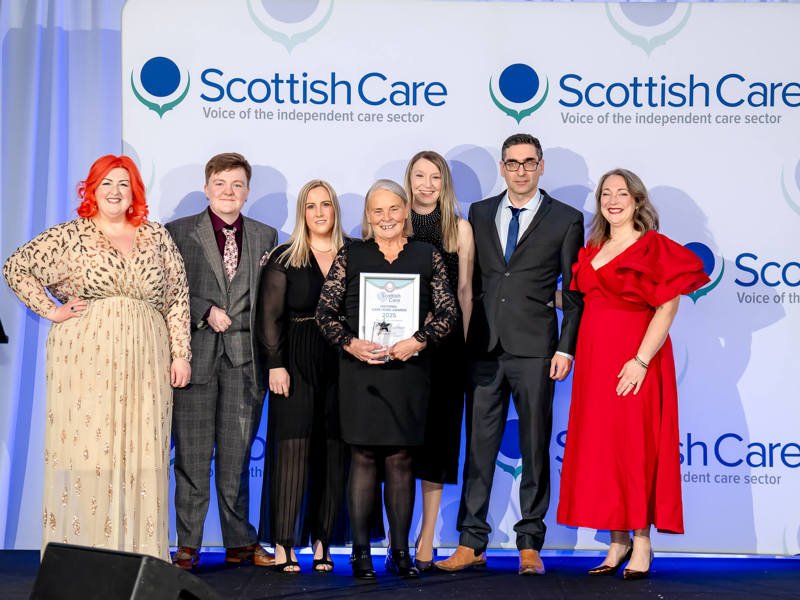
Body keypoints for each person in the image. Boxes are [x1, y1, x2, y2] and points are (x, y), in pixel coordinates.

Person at [3, 155, 191, 560]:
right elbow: (16, 267)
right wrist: (52, 310)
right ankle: (84, 557)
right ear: (91, 188)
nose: (114, 191)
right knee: (91, 447)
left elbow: (176, 298)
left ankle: (141, 557)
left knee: (143, 451)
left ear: (134, 192)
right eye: (106, 183)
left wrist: (181, 355)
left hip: (147, 355)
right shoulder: (73, 235)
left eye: (123, 183)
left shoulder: (155, 236)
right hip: (86, 355)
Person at [436, 133, 584, 576]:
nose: (520, 170)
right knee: (477, 449)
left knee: (536, 448)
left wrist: (566, 347)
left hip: (537, 350)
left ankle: (529, 544)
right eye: (512, 163)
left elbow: (573, 295)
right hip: (482, 348)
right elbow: (470, 281)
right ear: (502, 167)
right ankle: (470, 541)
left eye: (529, 162)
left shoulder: (567, 219)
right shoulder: (479, 213)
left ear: (541, 166)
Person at [556, 169, 709, 579]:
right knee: (606, 449)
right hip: (594, 364)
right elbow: (582, 299)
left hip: (634, 361)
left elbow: (668, 307)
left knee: (635, 449)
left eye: (622, 193)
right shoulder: (593, 248)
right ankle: (617, 539)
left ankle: (642, 542)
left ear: (637, 200)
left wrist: (640, 360)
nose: (613, 199)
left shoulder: (652, 247)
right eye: (606, 193)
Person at [316, 179, 457, 580]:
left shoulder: (427, 255)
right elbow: (324, 314)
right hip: (363, 370)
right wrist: (350, 343)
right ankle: (361, 554)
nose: (386, 218)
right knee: (362, 458)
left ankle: (400, 553)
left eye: (393, 209)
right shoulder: (351, 254)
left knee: (401, 459)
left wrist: (419, 340)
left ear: (406, 211)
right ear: (367, 217)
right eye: (377, 211)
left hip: (409, 371)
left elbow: (449, 315)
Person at [166, 153, 278, 569]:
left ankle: (239, 542)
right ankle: (188, 544)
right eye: (221, 183)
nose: (229, 192)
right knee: (192, 458)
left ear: (248, 191)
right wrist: (204, 308)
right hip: (193, 360)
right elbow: (165, 290)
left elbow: (272, 300)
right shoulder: (178, 233)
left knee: (236, 458)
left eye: (237, 185)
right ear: (206, 187)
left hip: (245, 362)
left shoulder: (267, 236)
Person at [256, 180, 347, 573]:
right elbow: (269, 317)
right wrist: (275, 363)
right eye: (311, 206)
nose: (319, 212)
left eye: (326, 204)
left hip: (344, 364)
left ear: (335, 210)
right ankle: (283, 543)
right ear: (302, 213)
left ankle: (322, 541)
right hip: (295, 362)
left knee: (333, 453)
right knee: (291, 453)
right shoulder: (284, 257)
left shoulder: (353, 254)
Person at [402, 151, 474, 571]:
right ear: (408, 180)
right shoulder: (392, 220)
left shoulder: (458, 229)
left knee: (438, 447)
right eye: (419, 176)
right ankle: (398, 536)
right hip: (400, 351)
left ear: (444, 182)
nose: (427, 184)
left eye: (435, 177)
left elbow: (464, 293)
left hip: (445, 353)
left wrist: (461, 347)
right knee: (401, 446)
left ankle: (426, 538)